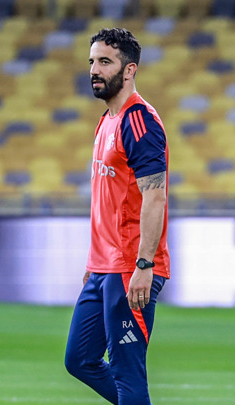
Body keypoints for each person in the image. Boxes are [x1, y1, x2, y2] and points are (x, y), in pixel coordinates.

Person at [64, 28, 171, 405]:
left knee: (127, 372)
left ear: (129, 70)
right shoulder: (106, 120)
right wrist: (93, 263)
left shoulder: (139, 121)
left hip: (130, 266)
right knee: (80, 360)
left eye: (105, 62)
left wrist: (145, 264)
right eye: (92, 61)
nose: (94, 69)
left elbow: (155, 196)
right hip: (103, 267)